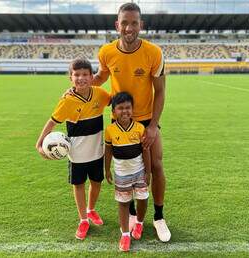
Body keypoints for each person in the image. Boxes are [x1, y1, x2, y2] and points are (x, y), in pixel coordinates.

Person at [94, 2, 171, 242]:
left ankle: (158, 217)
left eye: (134, 23)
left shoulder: (154, 53)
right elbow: (100, 77)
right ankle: (134, 215)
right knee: (126, 169)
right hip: (119, 122)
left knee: (156, 166)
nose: (129, 28)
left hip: (146, 119)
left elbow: (160, 92)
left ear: (141, 25)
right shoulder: (106, 52)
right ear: (117, 25)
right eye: (124, 23)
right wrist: (76, 87)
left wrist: (152, 126)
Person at [36, 58, 110, 240]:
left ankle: (91, 209)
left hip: (97, 151)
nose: (81, 78)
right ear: (70, 77)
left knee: (96, 182)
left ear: (92, 77)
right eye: (76, 75)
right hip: (76, 154)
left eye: (85, 74)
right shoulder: (67, 101)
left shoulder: (100, 94)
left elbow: (116, 102)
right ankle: (83, 219)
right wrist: (39, 143)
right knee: (78, 185)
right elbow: (52, 122)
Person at [105, 92, 151, 252]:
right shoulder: (110, 130)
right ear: (113, 112)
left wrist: (148, 171)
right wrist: (107, 169)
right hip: (121, 174)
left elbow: (146, 151)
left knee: (142, 199)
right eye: (120, 108)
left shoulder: (139, 128)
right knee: (123, 203)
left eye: (128, 108)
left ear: (133, 109)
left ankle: (139, 223)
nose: (125, 111)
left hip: (139, 171)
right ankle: (125, 234)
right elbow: (108, 150)